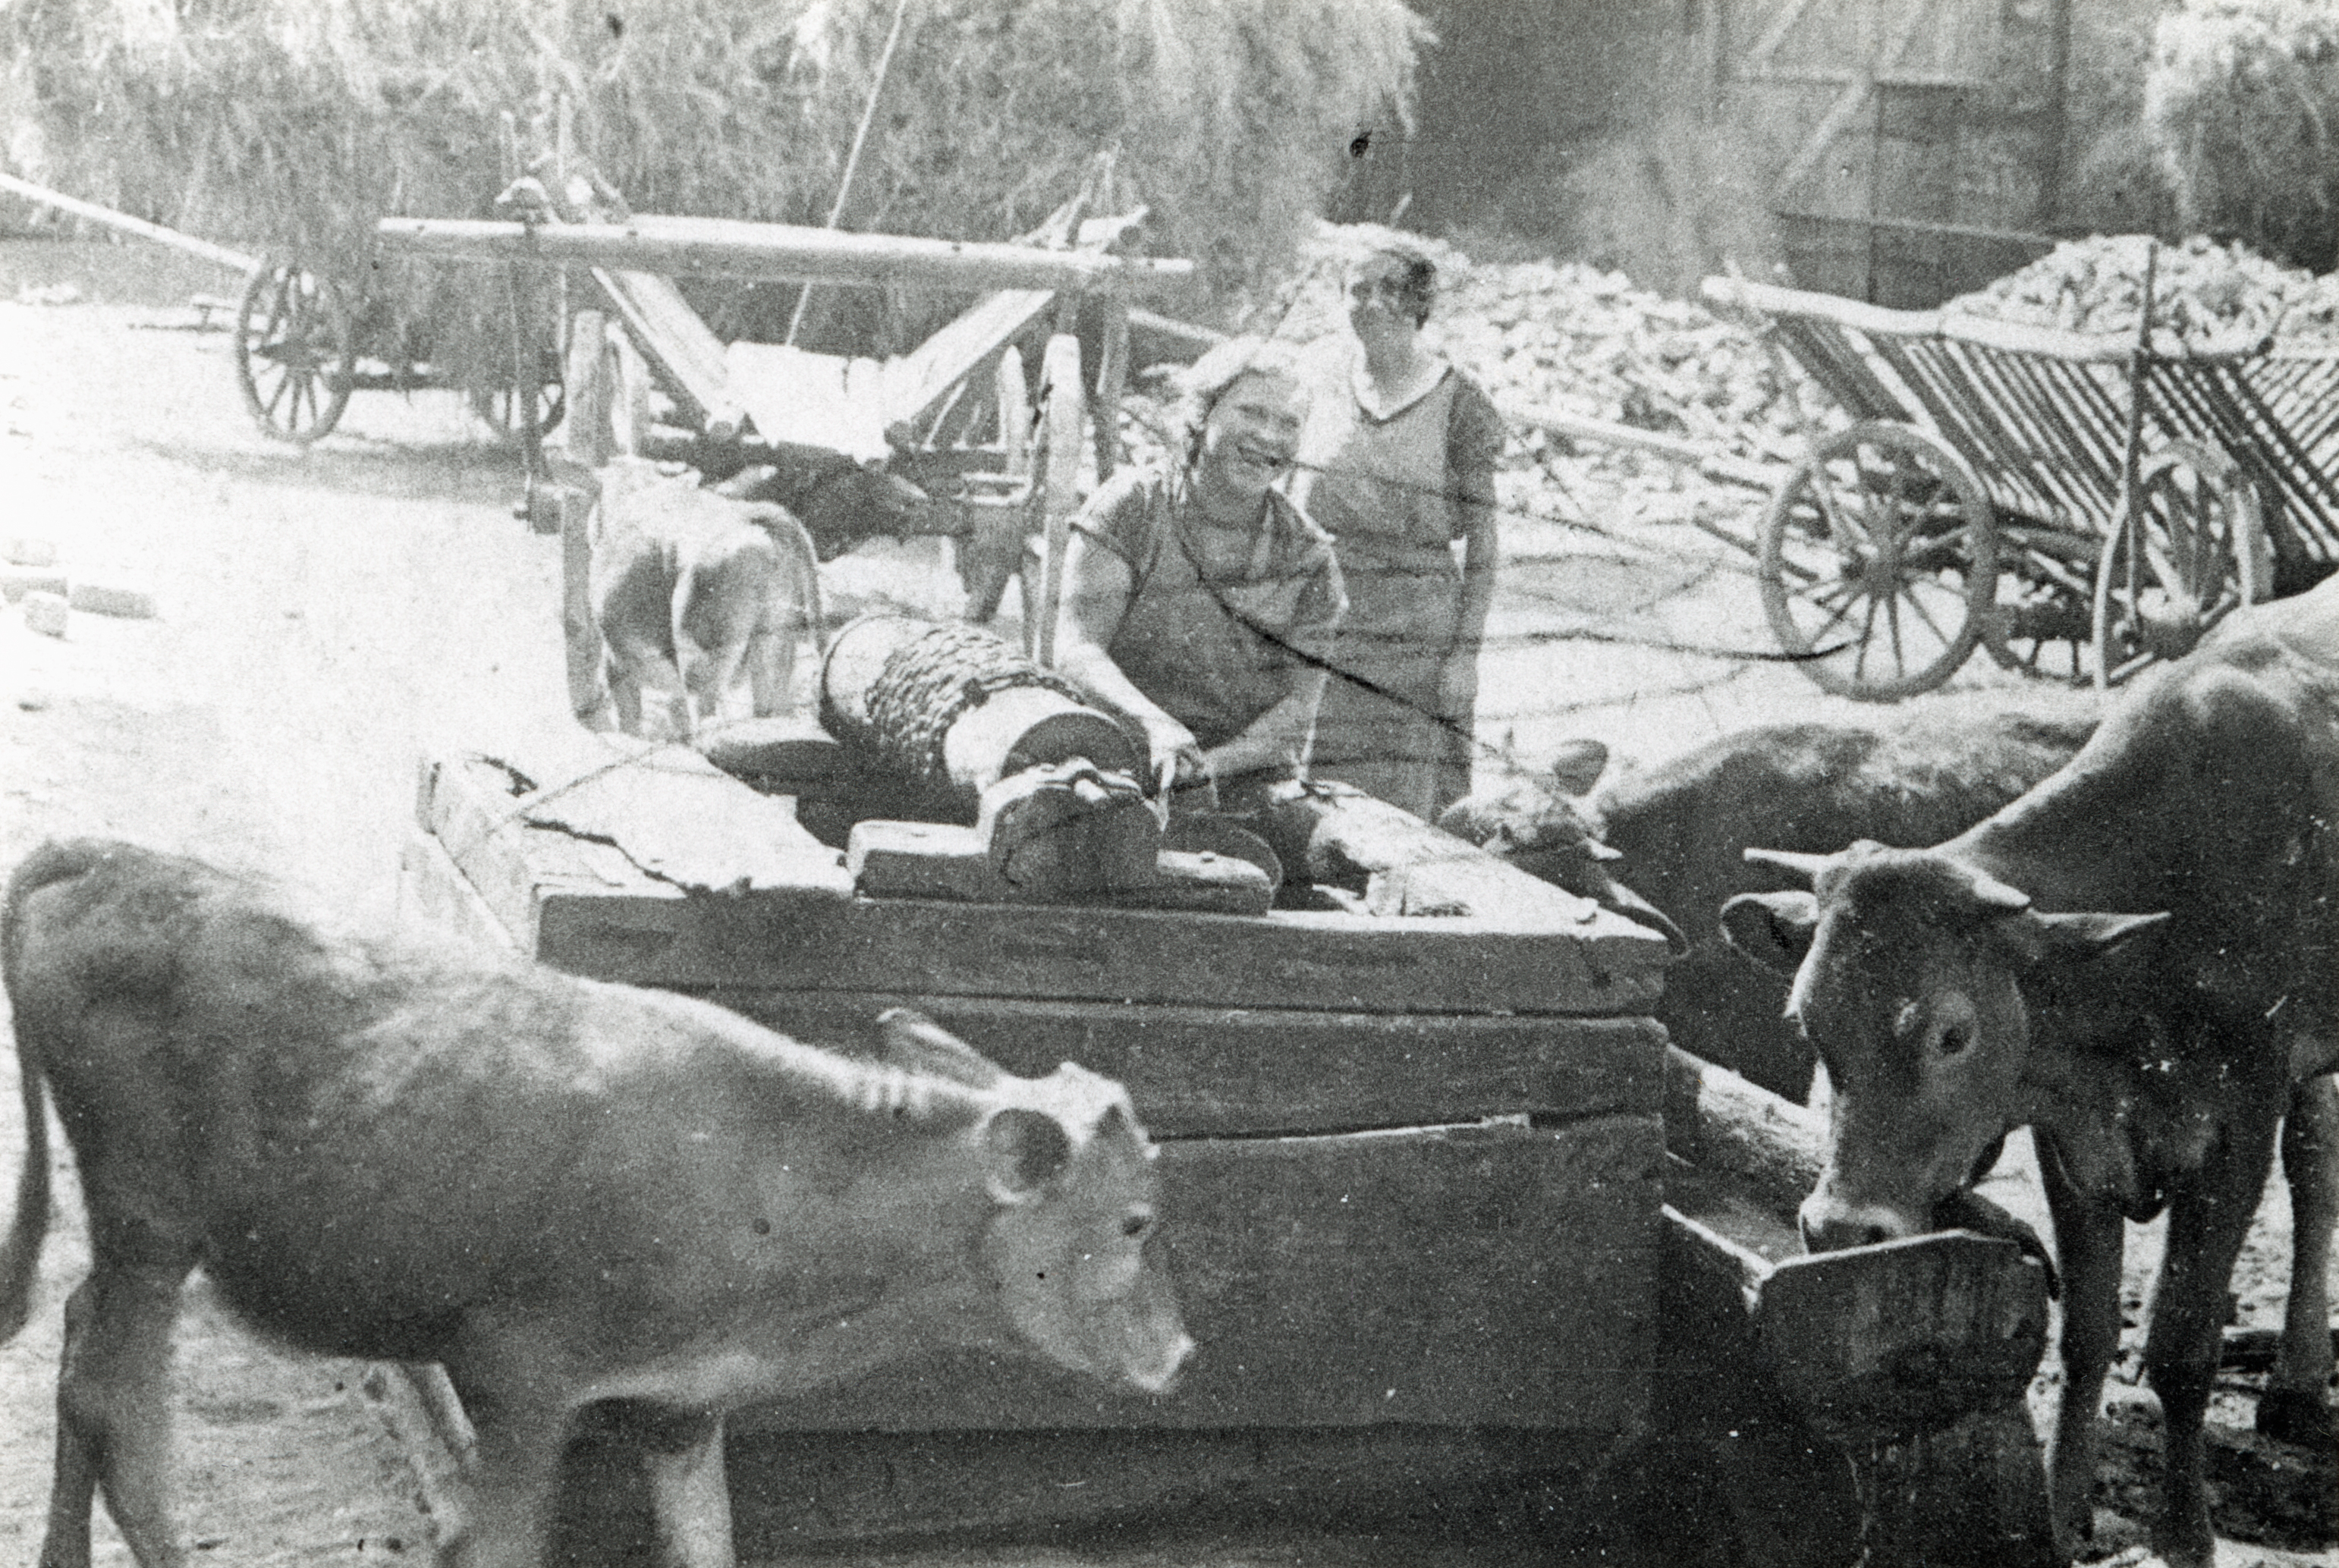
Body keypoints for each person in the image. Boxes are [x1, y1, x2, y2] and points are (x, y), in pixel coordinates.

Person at [1048, 336, 1346, 815]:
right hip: (1112, 760)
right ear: (1202, 414)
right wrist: (1157, 727)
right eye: (1252, 413)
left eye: (1288, 423)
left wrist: (1204, 765)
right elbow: (1077, 649)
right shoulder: (1133, 507)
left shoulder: (1307, 556)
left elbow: (1294, 714)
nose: (1269, 437)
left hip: (1239, 778)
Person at [1295, 243, 1505, 820]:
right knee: (1310, 784)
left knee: (1411, 797)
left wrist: (1465, 658)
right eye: (1357, 289)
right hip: (1322, 611)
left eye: (1390, 290)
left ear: (1418, 306)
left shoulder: (1459, 401)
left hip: (1416, 626)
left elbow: (1484, 544)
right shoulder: (1317, 378)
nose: (1372, 304)